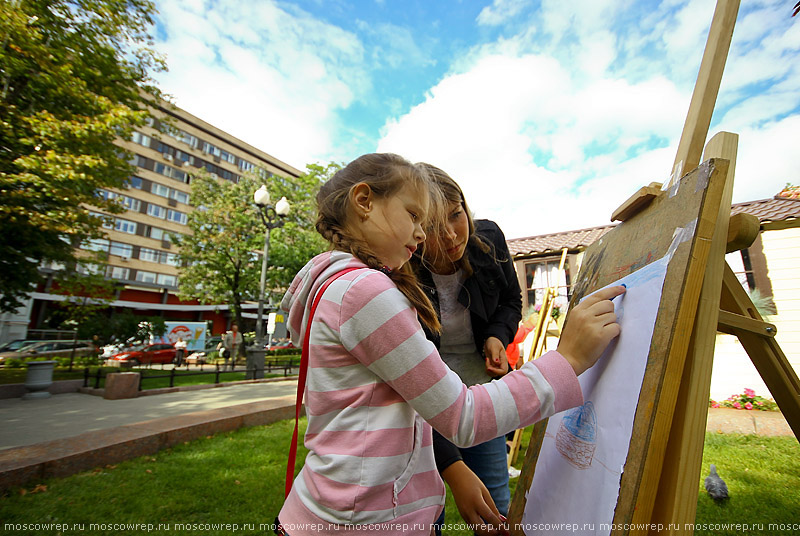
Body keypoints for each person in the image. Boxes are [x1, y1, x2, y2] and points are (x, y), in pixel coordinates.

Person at [277, 153, 624, 536]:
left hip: (348, 510)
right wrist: (569, 359)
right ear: (364, 201)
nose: (424, 234)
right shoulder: (366, 291)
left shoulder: (336, 283)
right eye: (414, 216)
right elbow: (463, 417)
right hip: (369, 520)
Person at [410, 164, 523, 533]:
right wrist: (452, 468)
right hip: (424, 400)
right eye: (432, 225)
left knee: (495, 509)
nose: (449, 235)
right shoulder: (401, 269)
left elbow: (511, 298)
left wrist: (496, 335)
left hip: (481, 394)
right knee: (427, 513)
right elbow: (407, 372)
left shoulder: (488, 241)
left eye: (456, 215)